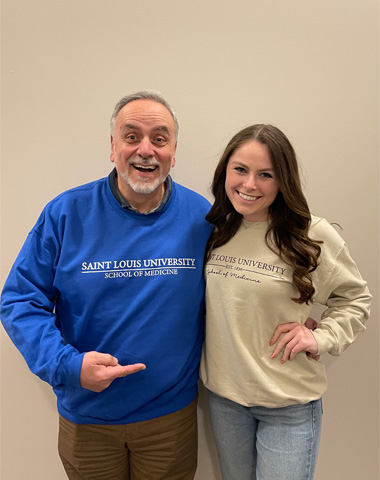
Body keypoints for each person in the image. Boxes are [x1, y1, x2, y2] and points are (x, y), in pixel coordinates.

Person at [1, 90, 213, 479]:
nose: (145, 150)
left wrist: (293, 314)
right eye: (131, 137)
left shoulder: (202, 218)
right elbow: (19, 301)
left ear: (174, 151)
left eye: (159, 139)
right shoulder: (66, 213)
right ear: (113, 146)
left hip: (170, 420)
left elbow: (236, 290)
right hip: (88, 420)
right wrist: (67, 365)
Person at [200, 124, 371, 480]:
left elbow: (355, 299)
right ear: (225, 171)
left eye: (266, 175)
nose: (249, 185)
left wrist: (319, 336)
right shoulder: (216, 230)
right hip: (225, 400)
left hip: (287, 405)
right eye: (241, 170)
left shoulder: (311, 234)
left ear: (283, 181)